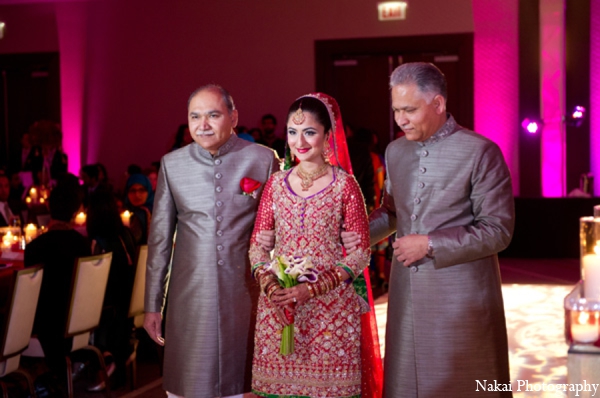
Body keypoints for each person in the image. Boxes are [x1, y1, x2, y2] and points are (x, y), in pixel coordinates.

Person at [343, 62, 515, 397]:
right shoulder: (396, 151)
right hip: (406, 291)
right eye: (396, 110)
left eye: (410, 110)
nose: (401, 120)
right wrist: (356, 234)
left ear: (438, 104)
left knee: (462, 382)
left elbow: (498, 230)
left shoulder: (480, 151)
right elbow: (393, 213)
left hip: (461, 294)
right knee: (407, 382)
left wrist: (431, 243)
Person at [143, 84, 279, 398]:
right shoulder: (172, 164)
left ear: (233, 117)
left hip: (247, 295)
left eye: (213, 115)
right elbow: (160, 239)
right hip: (189, 297)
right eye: (195, 116)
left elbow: (278, 231)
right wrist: (152, 305)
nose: (202, 124)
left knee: (245, 385)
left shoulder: (262, 159)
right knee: (187, 386)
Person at [248, 93, 382, 397]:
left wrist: (311, 289)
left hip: (331, 310)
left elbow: (361, 253)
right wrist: (272, 288)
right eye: (293, 132)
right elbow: (257, 247)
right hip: (280, 306)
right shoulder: (275, 186)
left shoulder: (345, 185)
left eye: (309, 132)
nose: (300, 141)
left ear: (327, 135)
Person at [24, 176, 91, 394]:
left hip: (46, 326)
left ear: (49, 208)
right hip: (78, 321)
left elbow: (28, 294)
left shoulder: (36, 247)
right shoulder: (83, 245)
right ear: (74, 212)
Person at [86, 188, 137, 391]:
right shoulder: (126, 234)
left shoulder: (98, 242)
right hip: (129, 303)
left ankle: (99, 358)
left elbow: (91, 282)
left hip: (108, 308)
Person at [123, 173, 154, 245]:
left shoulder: (141, 214)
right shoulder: (128, 211)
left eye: (142, 190)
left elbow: (131, 241)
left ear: (148, 191)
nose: (137, 195)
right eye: (132, 190)